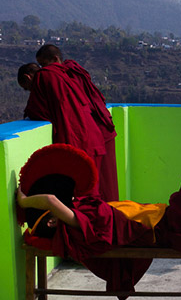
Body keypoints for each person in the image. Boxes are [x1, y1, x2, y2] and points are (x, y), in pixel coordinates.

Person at [16, 144, 181, 294]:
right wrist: (25, 201)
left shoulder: (81, 209)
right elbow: (49, 199)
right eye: (56, 212)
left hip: (164, 213)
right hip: (167, 228)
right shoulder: (77, 224)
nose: (61, 206)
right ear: (54, 222)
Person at [23, 44, 119, 201]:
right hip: (98, 132)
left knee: (82, 192)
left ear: (54, 59)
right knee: (101, 189)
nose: (41, 69)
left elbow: (37, 111)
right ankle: (107, 221)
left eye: (43, 64)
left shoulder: (46, 75)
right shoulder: (73, 72)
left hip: (76, 137)